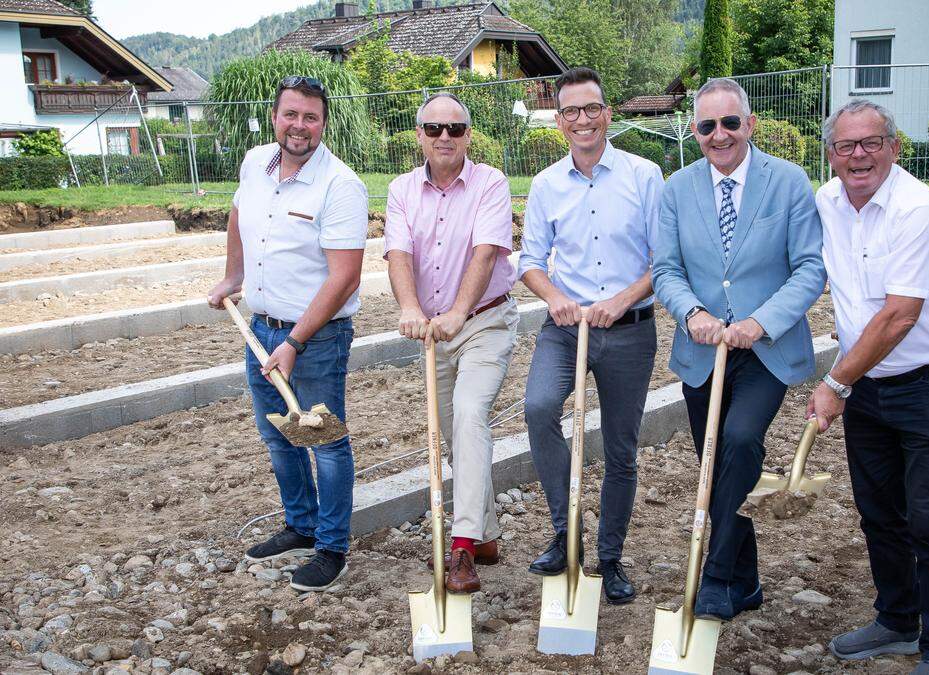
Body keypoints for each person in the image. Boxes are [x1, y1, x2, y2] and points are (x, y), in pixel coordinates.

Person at [651, 77, 825, 621]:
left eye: (730, 123)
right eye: (706, 126)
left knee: (742, 439)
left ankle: (717, 575)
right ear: (695, 132)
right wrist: (693, 314)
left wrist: (760, 321)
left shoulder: (788, 182)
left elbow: (810, 267)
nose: (719, 134)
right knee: (719, 459)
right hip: (704, 353)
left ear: (749, 124)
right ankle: (746, 580)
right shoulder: (677, 189)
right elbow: (666, 269)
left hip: (765, 350)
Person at [809, 99, 929, 675]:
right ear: (830, 154)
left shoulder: (917, 210)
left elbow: (900, 315)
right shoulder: (827, 202)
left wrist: (835, 381)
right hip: (868, 386)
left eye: (871, 143)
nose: (859, 156)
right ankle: (899, 621)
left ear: (894, 148)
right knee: (879, 512)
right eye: (846, 145)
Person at [207, 76, 368, 592]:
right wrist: (234, 276)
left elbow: (345, 276)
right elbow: (238, 215)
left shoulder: (340, 185)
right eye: (291, 115)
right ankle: (300, 525)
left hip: (315, 340)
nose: (299, 126)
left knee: (322, 441)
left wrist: (295, 343)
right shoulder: (256, 163)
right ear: (275, 116)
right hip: (259, 329)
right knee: (280, 436)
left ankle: (331, 547)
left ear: (324, 122)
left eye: (311, 118)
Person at [519, 66, 663, 605]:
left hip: (628, 331)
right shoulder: (546, 185)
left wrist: (622, 299)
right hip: (564, 329)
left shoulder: (645, 175)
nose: (583, 120)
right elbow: (531, 261)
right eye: (571, 111)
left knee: (621, 447)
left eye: (592, 109)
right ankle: (565, 532)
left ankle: (610, 555)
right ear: (559, 121)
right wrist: (554, 296)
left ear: (607, 113)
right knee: (538, 408)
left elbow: (663, 260)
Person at [384, 92, 518, 594]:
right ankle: (485, 533)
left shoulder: (491, 183)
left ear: (468, 135)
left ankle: (461, 548)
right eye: (435, 129)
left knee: (467, 413)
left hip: (483, 321)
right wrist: (410, 308)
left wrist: (458, 312)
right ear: (419, 134)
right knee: (452, 433)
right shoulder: (400, 190)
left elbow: (485, 255)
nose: (445, 137)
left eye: (455, 129)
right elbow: (397, 254)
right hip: (432, 330)